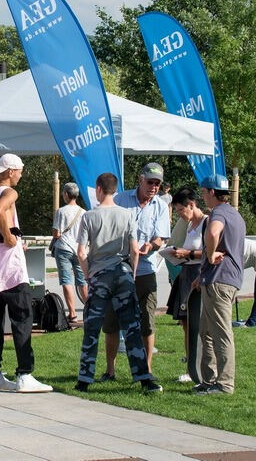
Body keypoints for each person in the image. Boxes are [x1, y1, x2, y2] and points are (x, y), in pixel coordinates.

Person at [74, 172, 160, 394]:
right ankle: (144, 377)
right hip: (122, 273)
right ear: (115, 189)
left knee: (92, 328)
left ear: (98, 188)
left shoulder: (89, 216)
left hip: (99, 275)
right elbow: (134, 250)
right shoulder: (126, 215)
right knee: (132, 327)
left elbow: (81, 252)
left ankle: (85, 378)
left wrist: (88, 275)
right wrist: (130, 275)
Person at [0, 153, 51, 393]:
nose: (20, 175)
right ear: (10, 171)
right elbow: (0, 211)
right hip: (10, 270)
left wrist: (10, 235)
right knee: (22, 320)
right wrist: (9, 238)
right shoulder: (9, 192)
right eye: (19, 171)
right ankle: (25, 373)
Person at [103, 162, 171, 380]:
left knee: (147, 322)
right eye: (150, 182)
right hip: (118, 268)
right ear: (141, 179)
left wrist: (151, 246)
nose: (153, 187)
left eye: (158, 184)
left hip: (145, 270)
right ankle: (110, 370)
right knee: (112, 321)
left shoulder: (160, 206)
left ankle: (146, 370)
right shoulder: (121, 199)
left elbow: (161, 237)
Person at [195, 173, 245, 395]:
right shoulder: (234, 214)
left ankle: (224, 384)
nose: (203, 197)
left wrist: (210, 251)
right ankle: (209, 380)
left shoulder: (218, 213)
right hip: (220, 278)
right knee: (207, 331)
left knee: (221, 333)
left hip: (219, 281)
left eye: (204, 193)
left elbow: (214, 232)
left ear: (212, 192)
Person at [165, 187, 206, 385]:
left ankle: (202, 368)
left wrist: (187, 254)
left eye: (181, 210)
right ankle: (191, 365)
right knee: (186, 323)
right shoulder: (189, 225)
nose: (180, 214)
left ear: (191, 205)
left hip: (198, 275)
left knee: (200, 325)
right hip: (186, 273)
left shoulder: (206, 223)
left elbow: (211, 252)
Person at [51, 182, 87, 322]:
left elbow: (55, 232)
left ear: (66, 194)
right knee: (82, 281)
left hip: (64, 248)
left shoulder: (61, 211)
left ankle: (72, 313)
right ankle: (89, 310)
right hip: (79, 249)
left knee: (66, 280)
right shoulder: (83, 212)